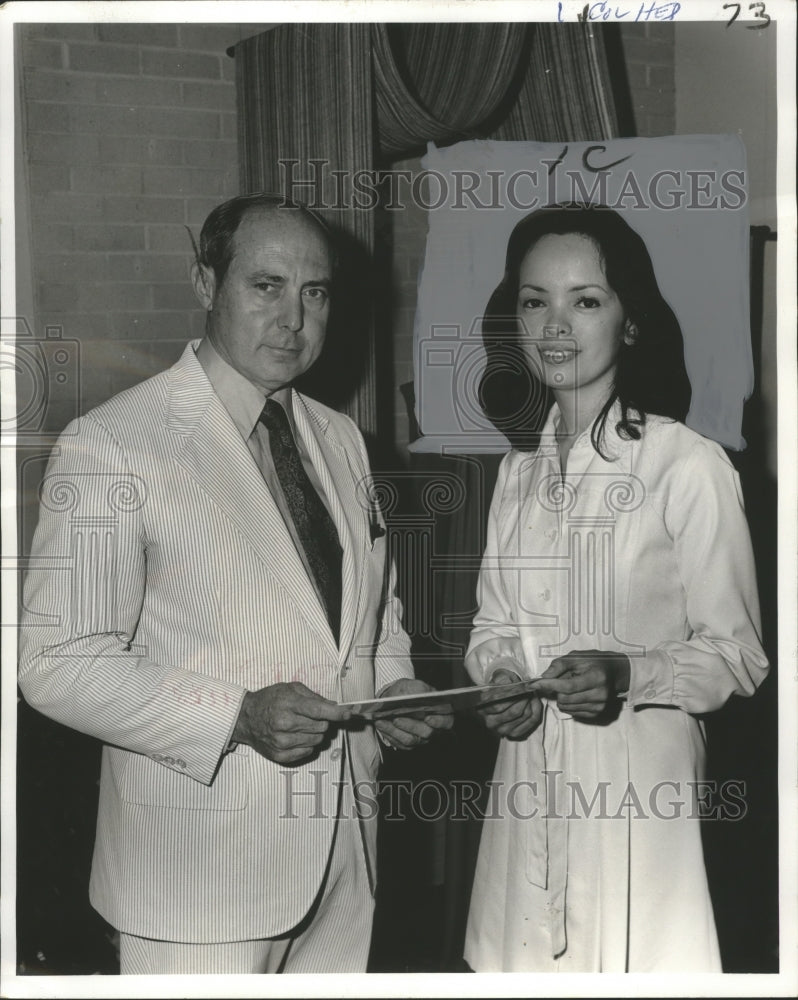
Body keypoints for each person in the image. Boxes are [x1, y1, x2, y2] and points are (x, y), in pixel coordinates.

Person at [18, 193, 451, 975]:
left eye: (314, 292)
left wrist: (392, 691)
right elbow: (55, 662)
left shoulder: (342, 438)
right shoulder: (114, 444)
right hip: (198, 879)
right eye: (266, 285)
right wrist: (238, 716)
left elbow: (371, 620)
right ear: (206, 284)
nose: (294, 317)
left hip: (345, 858)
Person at [463, 203, 769, 973]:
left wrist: (629, 673)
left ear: (630, 322)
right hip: (527, 786)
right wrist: (499, 676)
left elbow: (739, 656)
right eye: (535, 301)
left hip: (642, 798)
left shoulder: (687, 466)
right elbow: (491, 625)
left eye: (586, 300)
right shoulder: (516, 474)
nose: (555, 326)